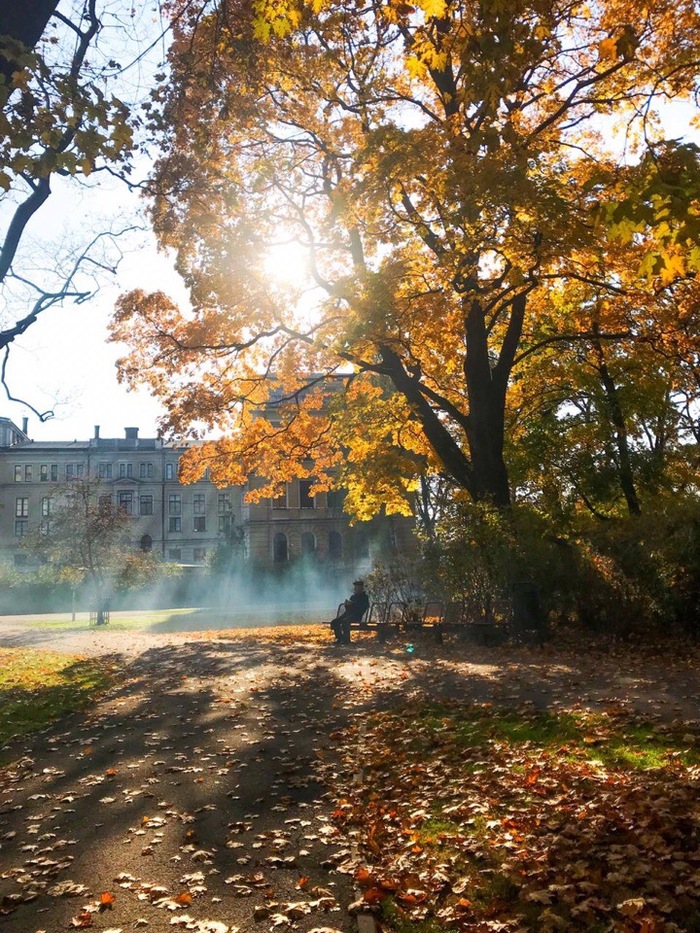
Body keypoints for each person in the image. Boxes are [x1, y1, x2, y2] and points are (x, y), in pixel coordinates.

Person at [330, 580, 369, 645]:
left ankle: (346, 640)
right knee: (334, 622)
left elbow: (363, 607)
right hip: (347, 614)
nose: (355, 588)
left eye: (357, 587)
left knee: (345, 621)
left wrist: (352, 604)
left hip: (357, 616)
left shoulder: (364, 597)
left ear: (361, 588)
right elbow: (349, 609)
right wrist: (347, 605)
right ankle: (339, 638)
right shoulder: (353, 597)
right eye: (355, 587)